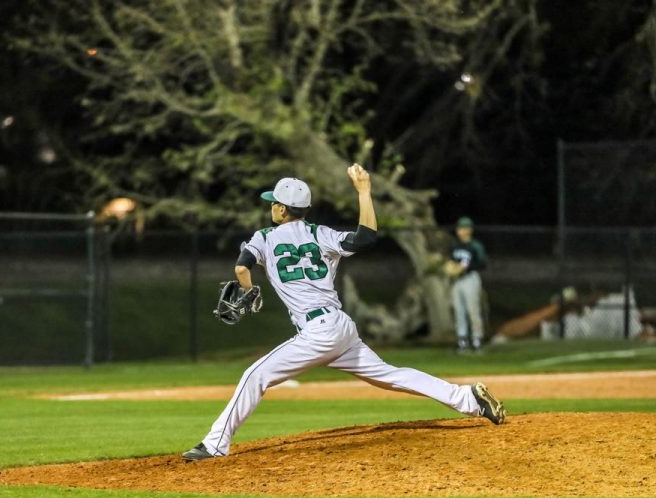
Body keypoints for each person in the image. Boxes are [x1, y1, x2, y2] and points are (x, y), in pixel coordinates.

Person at [182, 166, 506, 461]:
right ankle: (467, 399)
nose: (271, 207)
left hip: (317, 332)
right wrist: (364, 191)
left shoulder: (264, 237)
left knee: (255, 376)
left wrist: (249, 289)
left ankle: (214, 444)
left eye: (273, 203)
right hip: (341, 327)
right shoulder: (321, 234)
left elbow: (241, 266)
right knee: (390, 375)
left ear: (282, 208)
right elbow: (366, 237)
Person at [445, 217, 487, 353]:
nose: (461, 231)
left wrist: (466, 268)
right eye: (459, 228)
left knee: (473, 310)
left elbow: (482, 263)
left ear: (470, 230)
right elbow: (451, 262)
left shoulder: (475, 246)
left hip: (471, 279)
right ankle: (462, 340)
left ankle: (477, 339)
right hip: (457, 281)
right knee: (459, 311)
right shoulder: (456, 247)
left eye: (464, 228)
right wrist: (452, 268)